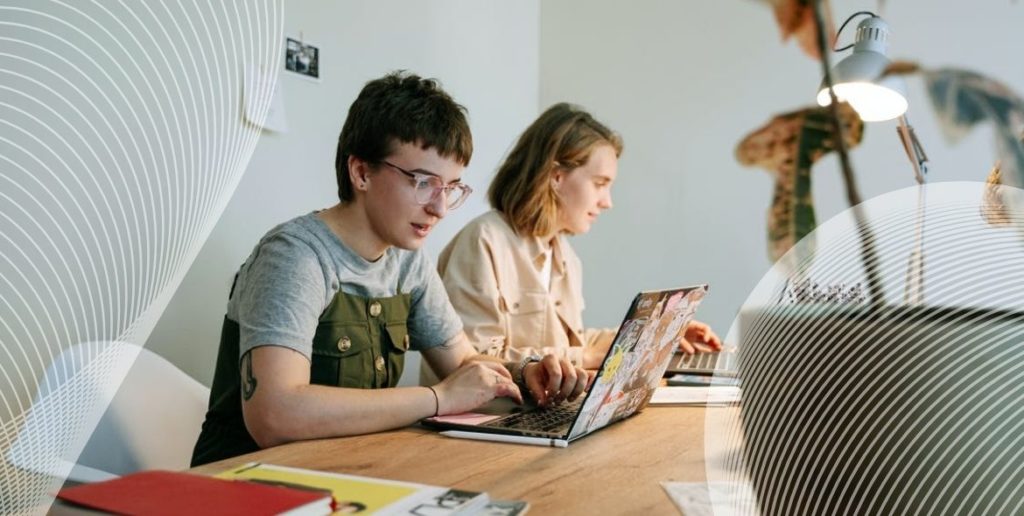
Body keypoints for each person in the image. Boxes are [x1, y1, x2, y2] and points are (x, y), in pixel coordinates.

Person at [191, 73, 586, 467]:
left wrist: (525, 376)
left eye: (450, 187)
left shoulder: (407, 260)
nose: (440, 208)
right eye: (422, 182)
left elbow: (465, 365)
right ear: (361, 173)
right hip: (245, 483)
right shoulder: (296, 257)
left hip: (350, 473)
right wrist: (438, 398)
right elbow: (275, 415)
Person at [432, 103, 721, 378]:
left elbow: (576, 342)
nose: (607, 202)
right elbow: (473, 359)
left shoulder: (566, 257)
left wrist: (655, 335)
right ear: (556, 176)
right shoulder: (483, 241)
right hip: (483, 422)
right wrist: (586, 358)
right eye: (600, 184)